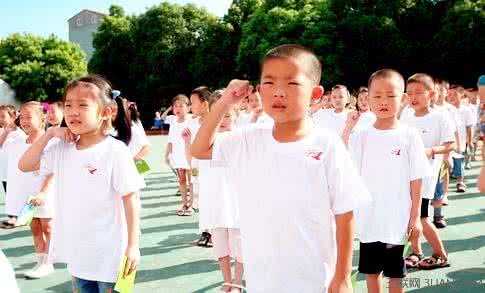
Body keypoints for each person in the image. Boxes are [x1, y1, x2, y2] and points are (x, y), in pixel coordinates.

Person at [192, 44, 371, 293]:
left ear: (316, 93)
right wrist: (225, 101)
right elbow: (199, 149)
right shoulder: (247, 139)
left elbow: (345, 214)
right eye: (269, 83)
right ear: (258, 90)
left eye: (292, 83)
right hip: (262, 280)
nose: (278, 92)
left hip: (314, 278)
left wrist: (342, 276)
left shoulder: (327, 144)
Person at [19, 75, 144, 292]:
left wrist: (133, 246)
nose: (73, 112)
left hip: (113, 256)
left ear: (105, 112)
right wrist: (49, 134)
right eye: (68, 105)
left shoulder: (115, 151)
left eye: (83, 105)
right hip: (79, 257)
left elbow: (131, 199)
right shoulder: (60, 149)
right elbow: (25, 165)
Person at [342, 69, 431, 293]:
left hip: (397, 219)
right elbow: (347, 170)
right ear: (367, 100)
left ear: (402, 99)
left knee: (395, 274)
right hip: (369, 219)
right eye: (377, 96)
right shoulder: (361, 136)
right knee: (372, 273)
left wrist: (415, 218)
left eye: (390, 96)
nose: (384, 102)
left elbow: (416, 179)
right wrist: (348, 127)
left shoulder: (409, 135)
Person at [184, 92, 244, 293]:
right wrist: (186, 143)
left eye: (228, 115)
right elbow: (193, 160)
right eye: (220, 116)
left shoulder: (241, 138)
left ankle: (237, 281)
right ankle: (227, 280)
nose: (224, 121)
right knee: (220, 244)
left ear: (236, 116)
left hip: (236, 200)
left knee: (239, 243)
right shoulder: (206, 138)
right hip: (214, 199)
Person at [400, 73, 453, 270]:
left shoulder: (440, 116)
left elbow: (450, 144)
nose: (413, 97)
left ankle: (441, 254)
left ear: (431, 94)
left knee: (421, 217)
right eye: (410, 93)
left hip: (424, 178)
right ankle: (416, 252)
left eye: (418, 93)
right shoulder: (406, 113)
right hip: (405, 175)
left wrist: (430, 150)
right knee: (409, 215)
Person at [2, 102, 56, 277]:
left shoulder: (49, 141)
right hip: (27, 193)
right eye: (22, 117)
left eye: (29, 117)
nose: (24, 121)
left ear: (42, 119)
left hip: (45, 192)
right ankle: (40, 262)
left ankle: (49, 262)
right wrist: (8, 129)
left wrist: (43, 192)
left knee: (47, 226)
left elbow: (52, 171)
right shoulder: (16, 140)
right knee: (34, 227)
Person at [165, 94, 194, 216]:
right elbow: (170, 140)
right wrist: (167, 154)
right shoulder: (173, 122)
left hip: (191, 155)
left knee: (192, 180)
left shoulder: (192, 120)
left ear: (188, 108)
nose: (177, 108)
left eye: (181, 106)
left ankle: (191, 205)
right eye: (175, 106)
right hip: (177, 156)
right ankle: (184, 203)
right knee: (181, 180)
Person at [0, 104, 26, 226]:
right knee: (8, 193)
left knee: (17, 193)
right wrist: (5, 132)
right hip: (4, 171)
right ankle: (13, 216)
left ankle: (17, 217)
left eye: (3, 116)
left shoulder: (20, 133)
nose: (0, 119)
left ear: (12, 117)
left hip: (16, 171)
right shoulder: (2, 131)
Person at [447, 85, 474, 193]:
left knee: (459, 161)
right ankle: (445, 187)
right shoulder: (446, 109)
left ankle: (460, 182)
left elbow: (469, 126)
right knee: (447, 164)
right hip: (447, 142)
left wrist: (470, 141)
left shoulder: (466, 110)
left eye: (455, 94)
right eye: (450, 94)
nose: (452, 97)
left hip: (460, 142)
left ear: (461, 94)